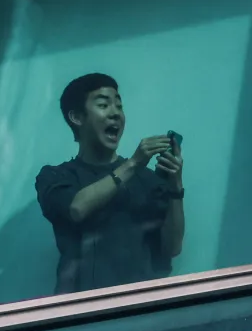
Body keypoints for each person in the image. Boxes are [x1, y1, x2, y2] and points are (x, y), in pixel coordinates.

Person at [35, 73, 186, 295]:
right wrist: (133, 164)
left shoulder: (148, 179)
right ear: (77, 117)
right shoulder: (56, 176)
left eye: (119, 105)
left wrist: (175, 186)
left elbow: (172, 247)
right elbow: (77, 208)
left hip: (143, 306)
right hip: (78, 310)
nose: (116, 113)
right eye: (104, 105)